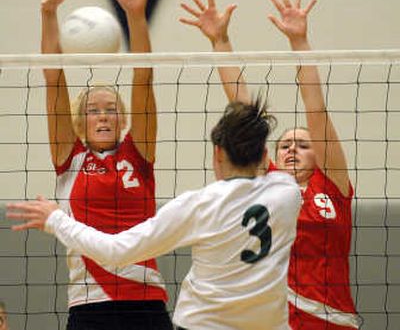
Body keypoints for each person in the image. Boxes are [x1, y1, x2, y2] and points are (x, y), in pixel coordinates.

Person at [8, 99, 302, 330]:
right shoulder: (287, 192)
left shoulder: (198, 205)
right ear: (265, 155)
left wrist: (56, 219)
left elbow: (117, 250)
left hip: (203, 324)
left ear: (217, 154)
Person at [180, 0, 360, 329]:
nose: (292, 148)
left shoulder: (332, 183)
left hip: (332, 319)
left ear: (319, 155)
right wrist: (220, 41)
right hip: (275, 318)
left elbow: (316, 109)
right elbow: (243, 108)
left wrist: (299, 43)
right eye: (285, 145)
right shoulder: (270, 183)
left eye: (303, 145)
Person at [39, 0, 172, 330]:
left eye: (110, 110)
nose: (102, 117)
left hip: (145, 302)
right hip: (89, 305)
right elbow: (53, 81)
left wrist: (136, 14)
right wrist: (49, 14)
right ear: (80, 121)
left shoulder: (138, 153)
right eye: (93, 111)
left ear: (122, 118)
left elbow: (143, 77)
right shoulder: (71, 158)